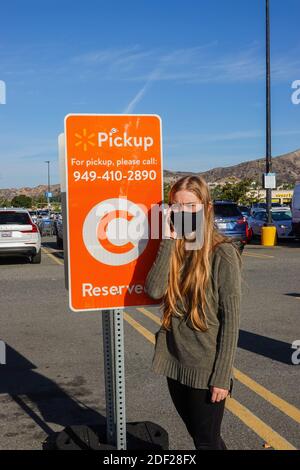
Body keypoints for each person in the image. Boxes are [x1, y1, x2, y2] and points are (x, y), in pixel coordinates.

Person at [144, 175, 242, 450]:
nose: (182, 212)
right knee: (200, 438)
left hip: (205, 367)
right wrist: (167, 240)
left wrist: (222, 377)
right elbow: (154, 290)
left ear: (206, 208)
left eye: (190, 206)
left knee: (207, 441)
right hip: (175, 361)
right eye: (176, 206)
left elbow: (231, 321)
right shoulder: (175, 247)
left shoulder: (222, 253)